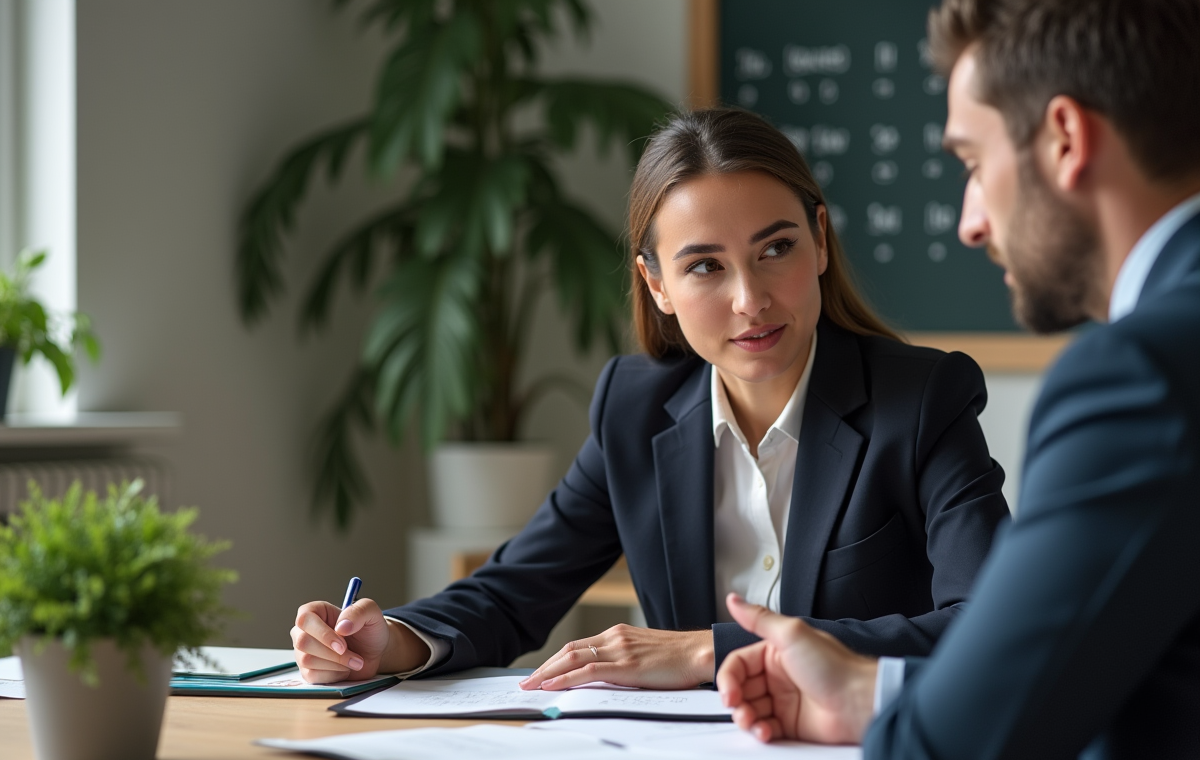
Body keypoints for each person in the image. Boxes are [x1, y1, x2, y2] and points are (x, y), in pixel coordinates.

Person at [289, 108, 1008, 692]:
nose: (750, 300)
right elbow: (513, 593)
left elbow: (985, 624)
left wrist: (707, 651)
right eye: (704, 266)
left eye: (776, 249)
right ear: (657, 284)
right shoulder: (634, 408)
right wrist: (388, 643)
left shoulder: (922, 401)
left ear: (820, 242)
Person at [715, 1, 1200, 760]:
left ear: (1066, 140)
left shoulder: (1137, 378)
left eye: (973, 163)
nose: (969, 223)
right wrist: (878, 694)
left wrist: (915, 724)